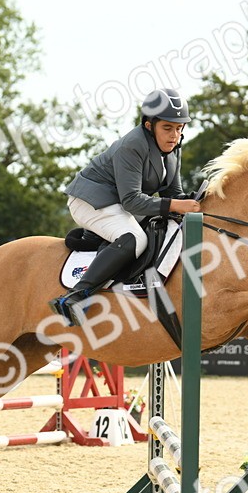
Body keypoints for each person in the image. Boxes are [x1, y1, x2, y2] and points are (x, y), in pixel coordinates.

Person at [50, 88, 200, 325]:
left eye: (180, 128)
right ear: (149, 125)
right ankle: (76, 296)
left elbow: (173, 194)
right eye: (168, 128)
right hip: (90, 200)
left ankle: (96, 239)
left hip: (118, 203)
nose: (175, 135)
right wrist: (179, 204)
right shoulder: (133, 145)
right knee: (135, 239)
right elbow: (132, 200)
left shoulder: (173, 150)